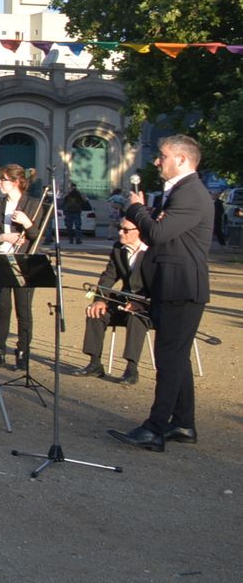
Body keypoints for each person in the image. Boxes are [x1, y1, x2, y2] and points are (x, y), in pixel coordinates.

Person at [109, 135, 213, 451]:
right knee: (175, 359)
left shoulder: (192, 193)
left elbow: (156, 234)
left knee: (169, 360)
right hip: (170, 288)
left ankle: (154, 428)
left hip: (182, 289)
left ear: (181, 160)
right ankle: (183, 423)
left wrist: (138, 209)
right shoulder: (180, 193)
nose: (157, 161)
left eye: (163, 156)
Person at [70, 217, 149, 384]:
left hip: (149, 305)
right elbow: (108, 276)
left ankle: (131, 369)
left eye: (126, 230)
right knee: (96, 312)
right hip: (124, 300)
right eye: (120, 228)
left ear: (139, 232)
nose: (121, 232)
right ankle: (94, 364)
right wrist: (100, 299)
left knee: (136, 316)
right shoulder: (118, 248)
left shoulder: (154, 251)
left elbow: (160, 284)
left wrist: (140, 303)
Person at [0, 163, 42, 372]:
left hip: (25, 262)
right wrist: (3, 236)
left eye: (3, 180)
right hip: (1, 259)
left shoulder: (34, 205)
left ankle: (22, 352)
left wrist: (28, 224)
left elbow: (39, 237)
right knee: (2, 309)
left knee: (24, 310)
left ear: (17, 182)